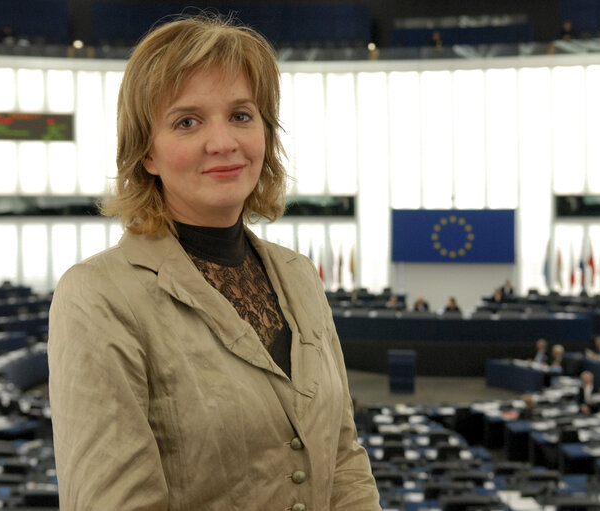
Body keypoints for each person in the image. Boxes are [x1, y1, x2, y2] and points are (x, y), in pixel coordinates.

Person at [48, 14, 380, 510]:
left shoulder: (297, 274)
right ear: (147, 154)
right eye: (188, 121)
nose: (223, 142)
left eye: (241, 115)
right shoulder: (97, 296)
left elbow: (344, 461)